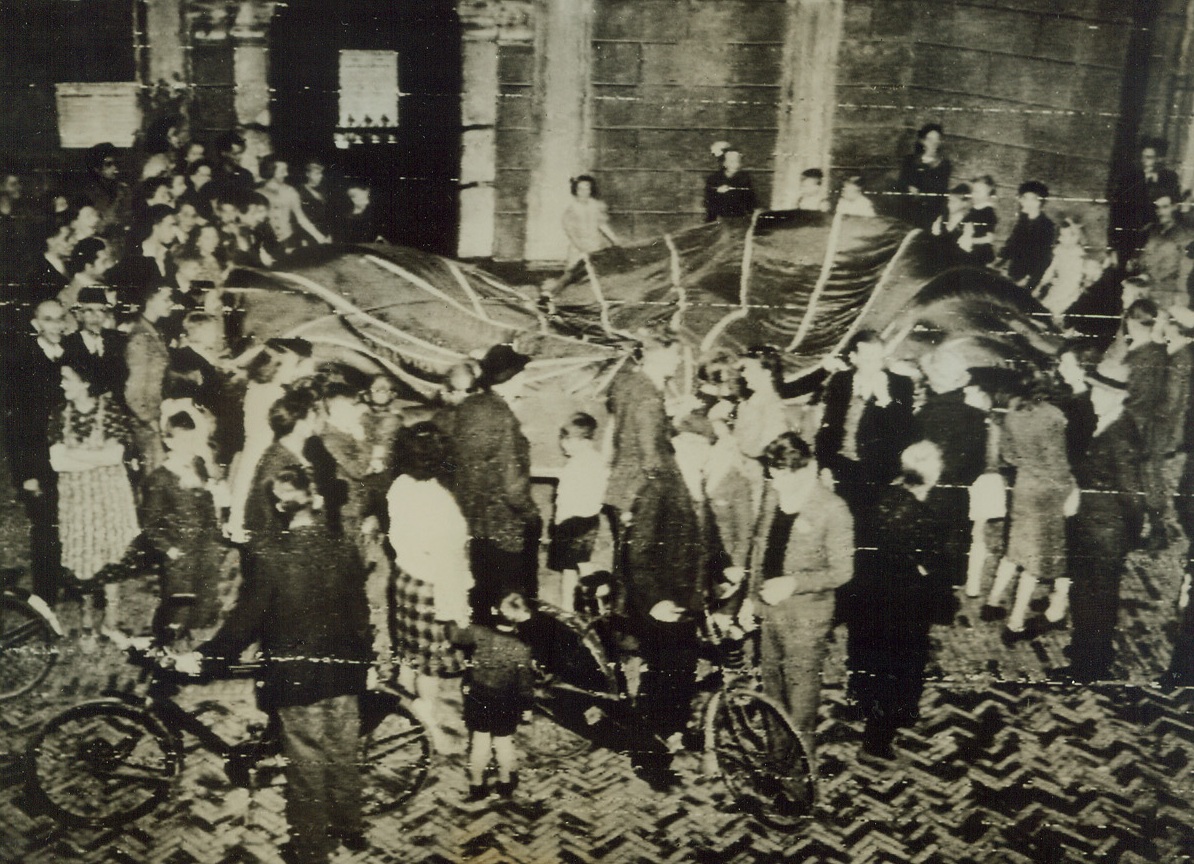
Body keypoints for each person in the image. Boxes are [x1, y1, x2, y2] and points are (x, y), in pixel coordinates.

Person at [180, 464, 370, 864]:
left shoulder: (271, 557)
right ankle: (350, 828)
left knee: (305, 766)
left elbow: (244, 623)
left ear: (281, 507)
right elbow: (359, 612)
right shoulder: (345, 544)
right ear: (315, 499)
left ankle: (309, 851)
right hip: (344, 669)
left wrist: (205, 659)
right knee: (343, 751)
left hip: (298, 678)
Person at [741, 431, 853, 766]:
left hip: (806, 621)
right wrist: (751, 601)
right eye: (772, 475)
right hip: (770, 613)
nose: (775, 483)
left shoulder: (833, 509)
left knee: (800, 705)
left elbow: (843, 571)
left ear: (805, 469)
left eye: (782, 476)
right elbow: (759, 549)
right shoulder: (773, 493)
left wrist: (794, 583)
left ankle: (799, 783)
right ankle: (777, 761)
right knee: (772, 693)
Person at [847, 441, 950, 760]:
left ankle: (864, 706)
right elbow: (930, 566)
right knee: (899, 670)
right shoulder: (922, 515)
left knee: (869, 661)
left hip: (866, 598)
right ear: (931, 473)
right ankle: (876, 743)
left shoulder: (883, 496)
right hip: (903, 606)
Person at [1053, 363, 1145, 682]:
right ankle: (1090, 649)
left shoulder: (1120, 435)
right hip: (1094, 525)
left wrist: (1127, 535)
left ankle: (1088, 666)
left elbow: (1134, 495)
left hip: (1104, 533)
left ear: (1113, 396)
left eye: (1096, 391)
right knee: (1089, 593)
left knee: (1095, 598)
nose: (1091, 395)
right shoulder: (1109, 421)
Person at [386, 421, 473, 750]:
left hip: (405, 579)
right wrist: (458, 612)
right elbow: (448, 564)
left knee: (410, 653)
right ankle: (428, 723)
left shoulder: (400, 486)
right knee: (430, 667)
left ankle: (402, 700)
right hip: (433, 588)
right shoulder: (440, 503)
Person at [982, 370, 1078, 640]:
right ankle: (1015, 624)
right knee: (1034, 564)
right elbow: (1057, 464)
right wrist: (1069, 489)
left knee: (1015, 551)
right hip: (1049, 493)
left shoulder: (1012, 415)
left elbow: (1009, 456)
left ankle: (992, 602)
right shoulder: (1052, 416)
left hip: (1024, 487)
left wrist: (1027, 465)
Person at [449, 343, 542, 614]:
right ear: (510, 380)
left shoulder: (470, 406)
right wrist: (530, 514)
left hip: (475, 521)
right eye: (521, 375)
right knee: (515, 602)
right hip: (505, 524)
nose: (524, 381)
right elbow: (513, 485)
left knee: (483, 594)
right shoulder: (503, 417)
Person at [50, 362, 140, 640]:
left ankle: (111, 619)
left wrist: (75, 456)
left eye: (68, 378)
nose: (62, 384)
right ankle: (87, 614)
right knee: (83, 558)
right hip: (77, 499)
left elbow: (115, 456)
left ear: (86, 382)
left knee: (109, 555)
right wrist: (97, 458)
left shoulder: (110, 409)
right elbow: (56, 462)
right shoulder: (58, 414)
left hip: (108, 498)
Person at [812, 330, 918, 538]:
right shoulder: (841, 381)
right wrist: (824, 467)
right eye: (868, 359)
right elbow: (828, 429)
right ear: (853, 358)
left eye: (879, 358)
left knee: (870, 534)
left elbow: (906, 434)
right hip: (842, 468)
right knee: (840, 530)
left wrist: (886, 401)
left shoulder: (900, 384)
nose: (875, 365)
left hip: (879, 474)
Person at [142, 409, 226, 641]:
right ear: (168, 441)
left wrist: (215, 532)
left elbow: (208, 501)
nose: (189, 446)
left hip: (204, 543)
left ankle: (193, 631)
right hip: (179, 551)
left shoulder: (198, 463)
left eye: (192, 439)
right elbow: (150, 523)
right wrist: (168, 549)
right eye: (182, 441)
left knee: (204, 592)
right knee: (179, 599)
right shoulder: (159, 479)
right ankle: (168, 638)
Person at [5, 300, 69, 603]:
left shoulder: (69, 356)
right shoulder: (23, 363)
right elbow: (16, 427)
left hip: (67, 457)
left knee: (66, 519)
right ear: (36, 324)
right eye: (49, 320)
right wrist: (28, 475)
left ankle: (66, 581)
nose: (56, 325)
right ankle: (45, 596)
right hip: (37, 460)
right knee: (44, 526)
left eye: (60, 319)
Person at [451, 588, 535, 802]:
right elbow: (525, 682)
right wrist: (526, 707)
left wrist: (455, 619)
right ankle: (505, 784)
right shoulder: (521, 648)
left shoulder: (478, 633)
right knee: (504, 744)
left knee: (479, 745)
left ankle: (477, 786)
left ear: (494, 611)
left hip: (478, 697)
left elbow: (455, 635)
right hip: (506, 701)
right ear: (521, 618)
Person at [548, 412, 608, 610]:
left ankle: (601, 589)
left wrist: (558, 522)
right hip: (589, 520)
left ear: (578, 440)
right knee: (573, 566)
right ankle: (568, 606)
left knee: (576, 566)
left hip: (572, 522)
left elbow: (566, 498)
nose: (563, 445)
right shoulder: (597, 460)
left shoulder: (576, 465)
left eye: (565, 440)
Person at [123, 284, 174, 472]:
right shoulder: (140, 338)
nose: (171, 303)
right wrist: (149, 420)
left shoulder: (154, 332)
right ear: (149, 300)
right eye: (166, 299)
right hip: (145, 424)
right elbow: (133, 390)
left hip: (155, 418)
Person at [1109, 137, 1182, 266]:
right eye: (1142, 157)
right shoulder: (1129, 177)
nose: (1144, 161)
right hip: (1129, 235)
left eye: (1149, 157)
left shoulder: (1170, 178)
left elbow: (1174, 207)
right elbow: (1116, 212)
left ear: (1160, 159)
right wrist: (1112, 247)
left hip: (1156, 236)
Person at [62, 286, 126, 397]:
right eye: (89, 310)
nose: (95, 316)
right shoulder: (68, 344)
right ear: (79, 315)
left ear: (106, 314)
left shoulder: (118, 340)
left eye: (101, 310)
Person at [258, 155, 331, 250]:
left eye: (286, 170)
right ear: (271, 171)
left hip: (288, 242)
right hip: (267, 243)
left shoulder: (290, 191)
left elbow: (301, 218)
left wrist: (320, 238)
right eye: (282, 171)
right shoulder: (258, 193)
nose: (286, 174)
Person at [1136, 192, 1192, 309]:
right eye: (1158, 208)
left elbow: (1182, 268)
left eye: (1165, 207)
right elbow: (1146, 256)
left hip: (1170, 293)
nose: (1160, 212)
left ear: (1175, 207)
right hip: (1147, 287)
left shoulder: (1186, 235)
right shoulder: (1153, 231)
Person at [998, 180, 1056, 292]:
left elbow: (1042, 258)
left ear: (1041, 202)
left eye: (1033, 199)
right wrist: (999, 260)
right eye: (1025, 198)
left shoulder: (1047, 225)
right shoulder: (1023, 220)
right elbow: (1011, 244)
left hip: (1032, 277)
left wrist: (1028, 279)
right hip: (1015, 272)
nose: (1028, 203)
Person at [1036, 217, 1094, 326]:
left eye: (1063, 236)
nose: (1060, 239)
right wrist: (1041, 284)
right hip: (1059, 286)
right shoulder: (1060, 251)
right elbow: (1051, 269)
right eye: (1060, 235)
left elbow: (1081, 277)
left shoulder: (1078, 255)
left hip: (1071, 290)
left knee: (1058, 310)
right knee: (1044, 307)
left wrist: (1081, 285)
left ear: (1075, 238)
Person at [897, 123, 952, 229]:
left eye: (937, 140)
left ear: (940, 142)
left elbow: (939, 189)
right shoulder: (910, 160)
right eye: (930, 139)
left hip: (932, 207)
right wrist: (908, 187)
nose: (933, 143)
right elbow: (901, 182)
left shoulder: (944, 164)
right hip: (909, 204)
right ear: (922, 141)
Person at [561, 175, 620, 268]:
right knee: (575, 272)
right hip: (578, 248)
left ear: (591, 190)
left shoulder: (595, 206)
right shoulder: (571, 209)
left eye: (587, 189)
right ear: (576, 191)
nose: (584, 192)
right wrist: (581, 247)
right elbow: (571, 233)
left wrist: (614, 239)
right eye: (581, 189)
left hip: (595, 246)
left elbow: (602, 224)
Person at [704, 145, 756, 221]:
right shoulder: (714, 179)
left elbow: (751, 201)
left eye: (738, 161)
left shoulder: (745, 178)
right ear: (724, 163)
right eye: (731, 161)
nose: (735, 165)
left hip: (739, 219)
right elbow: (708, 201)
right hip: (718, 219)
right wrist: (717, 192)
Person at [298, 160, 334, 244]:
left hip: (324, 231)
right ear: (307, 174)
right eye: (316, 174)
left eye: (321, 173)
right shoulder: (299, 190)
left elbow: (329, 214)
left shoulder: (325, 190)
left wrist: (330, 234)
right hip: (306, 232)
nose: (320, 176)